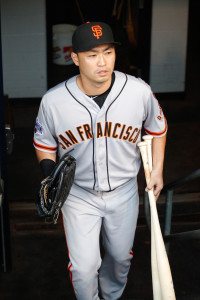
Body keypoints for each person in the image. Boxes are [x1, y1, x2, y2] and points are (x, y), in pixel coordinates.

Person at [33, 21, 167, 300]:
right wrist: (49, 174)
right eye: (93, 55)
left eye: (108, 52)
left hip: (124, 191)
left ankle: (111, 296)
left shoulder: (138, 91)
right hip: (78, 195)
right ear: (75, 58)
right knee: (84, 268)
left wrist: (157, 172)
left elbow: (157, 129)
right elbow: (44, 144)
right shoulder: (54, 101)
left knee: (120, 259)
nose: (102, 62)